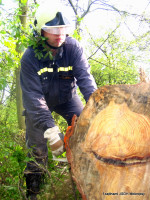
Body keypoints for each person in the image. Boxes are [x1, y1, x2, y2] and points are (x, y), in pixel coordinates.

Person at [20, 1, 97, 199]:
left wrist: (99, 108)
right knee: (37, 149)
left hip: (67, 98)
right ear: (41, 31)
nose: (60, 34)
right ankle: (33, 193)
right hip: (39, 105)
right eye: (54, 29)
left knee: (87, 126)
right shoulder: (29, 57)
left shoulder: (73, 48)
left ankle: (87, 181)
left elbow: (86, 81)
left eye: (63, 28)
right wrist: (50, 130)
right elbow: (33, 97)